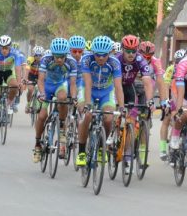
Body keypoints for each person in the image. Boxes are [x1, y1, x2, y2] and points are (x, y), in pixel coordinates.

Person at [75, 35, 125, 167]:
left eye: (104, 55)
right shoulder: (86, 59)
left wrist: (121, 107)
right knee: (87, 115)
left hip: (106, 92)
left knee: (108, 118)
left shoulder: (114, 62)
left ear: (109, 53)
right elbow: (88, 82)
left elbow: (118, 86)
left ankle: (102, 147)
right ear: (93, 53)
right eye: (98, 55)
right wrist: (87, 104)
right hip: (88, 89)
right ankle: (81, 152)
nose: (101, 58)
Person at [33, 38, 77, 162]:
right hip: (47, 86)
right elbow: (40, 80)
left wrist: (74, 97)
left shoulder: (71, 62)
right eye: (56, 57)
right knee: (42, 116)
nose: (59, 60)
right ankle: (37, 144)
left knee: (63, 98)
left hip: (60, 85)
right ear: (52, 54)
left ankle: (62, 126)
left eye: (62, 57)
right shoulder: (46, 59)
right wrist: (41, 94)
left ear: (66, 55)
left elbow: (73, 84)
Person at [0, 35, 20, 136]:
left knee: (14, 86)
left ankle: (9, 103)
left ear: (10, 46)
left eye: (6, 48)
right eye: (2, 48)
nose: (4, 50)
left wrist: (19, 82)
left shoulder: (15, 53)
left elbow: (18, 68)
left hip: (8, 73)